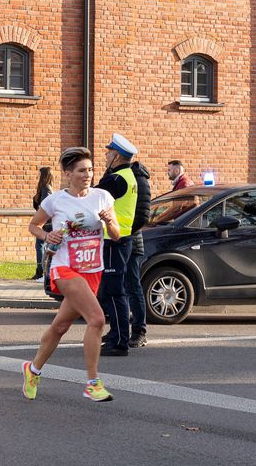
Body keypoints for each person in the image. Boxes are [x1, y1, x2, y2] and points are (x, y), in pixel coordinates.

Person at [23, 146, 120, 403]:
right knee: (97, 320)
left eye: (90, 169)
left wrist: (110, 221)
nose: (87, 174)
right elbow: (33, 225)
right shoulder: (55, 201)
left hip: (92, 270)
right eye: (81, 171)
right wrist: (47, 234)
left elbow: (117, 235)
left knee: (61, 326)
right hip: (65, 268)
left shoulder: (102, 197)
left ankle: (32, 370)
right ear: (68, 174)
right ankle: (92, 382)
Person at [96, 134, 140, 357]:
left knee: (114, 292)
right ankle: (116, 335)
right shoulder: (129, 176)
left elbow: (92, 197)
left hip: (114, 241)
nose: (105, 156)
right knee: (113, 291)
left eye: (108, 153)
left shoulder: (117, 179)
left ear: (116, 156)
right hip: (121, 240)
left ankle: (120, 341)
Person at [125, 160, 152, 348]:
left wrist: (125, 232)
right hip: (122, 239)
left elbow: (142, 216)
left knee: (133, 287)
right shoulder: (120, 175)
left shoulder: (137, 179)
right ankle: (118, 329)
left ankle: (139, 331)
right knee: (120, 289)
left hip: (131, 241)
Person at [30, 167, 55, 281]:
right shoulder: (44, 189)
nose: (37, 177)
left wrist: (41, 219)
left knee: (41, 246)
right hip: (45, 223)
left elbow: (45, 207)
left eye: (38, 175)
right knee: (42, 246)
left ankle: (42, 271)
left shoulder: (46, 189)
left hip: (46, 224)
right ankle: (42, 271)